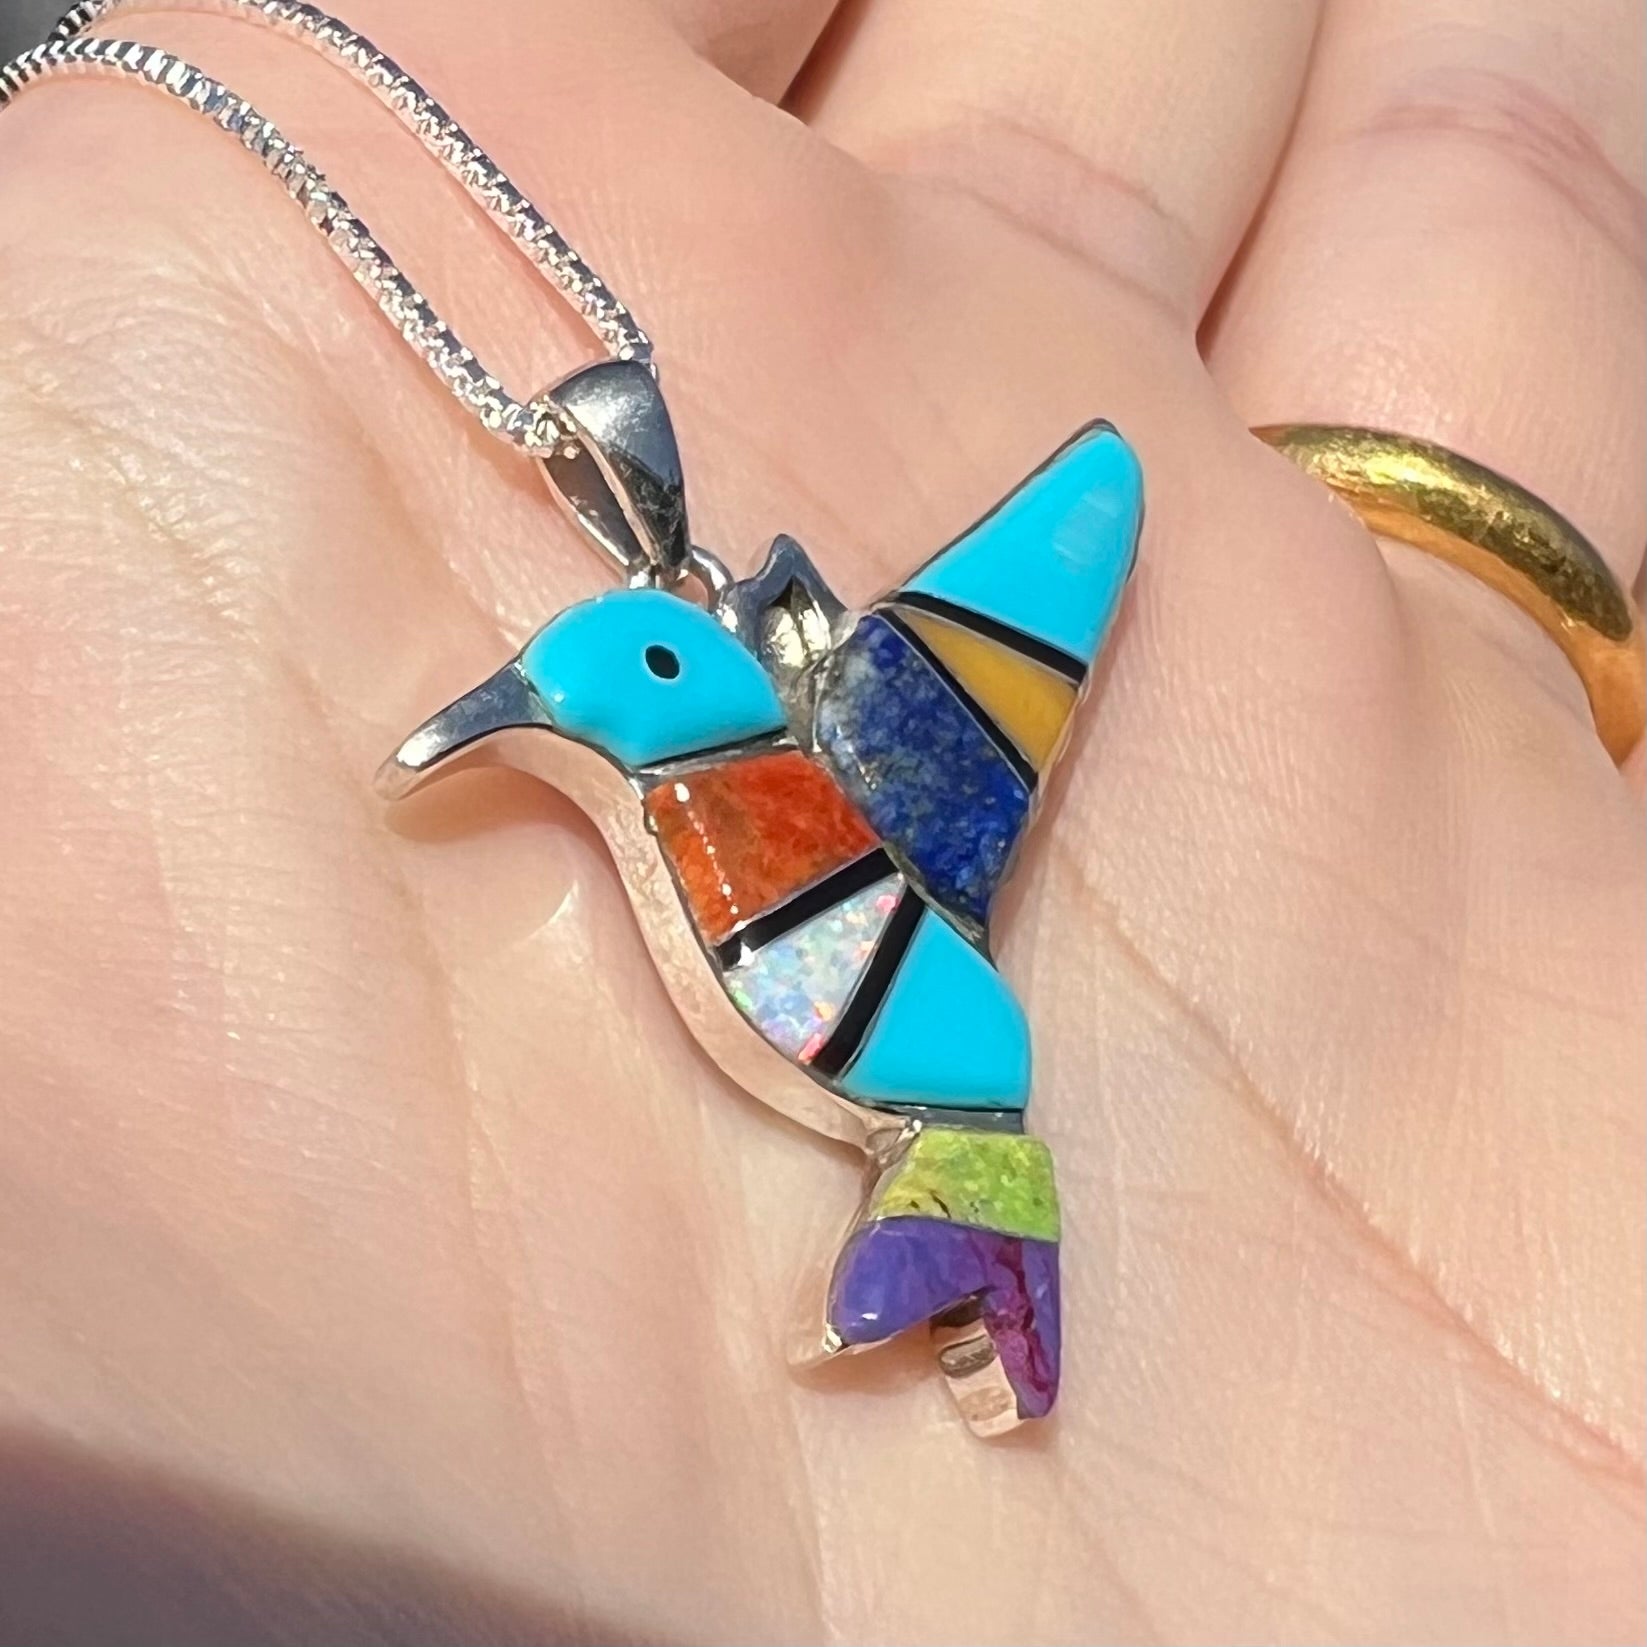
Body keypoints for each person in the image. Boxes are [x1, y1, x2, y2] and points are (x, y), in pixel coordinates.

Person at [0, 0, 1639, 1640]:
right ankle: (964, 1252)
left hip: (930, 1034)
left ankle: (971, 1247)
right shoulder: (716, 817)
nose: (528, 716)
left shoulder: (847, 771)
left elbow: (1078, 521)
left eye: (566, 696)